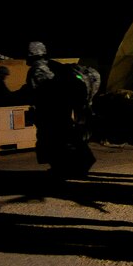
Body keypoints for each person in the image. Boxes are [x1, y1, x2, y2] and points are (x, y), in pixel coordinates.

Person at [19, 42, 99, 179]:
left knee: (52, 142)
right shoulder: (54, 65)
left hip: (50, 113)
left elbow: (41, 93)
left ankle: (63, 169)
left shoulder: (37, 70)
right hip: (63, 110)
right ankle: (79, 165)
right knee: (67, 138)